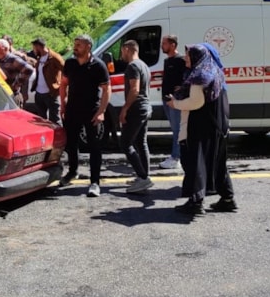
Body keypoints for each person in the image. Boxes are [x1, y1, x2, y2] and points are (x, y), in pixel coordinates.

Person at [166, 43, 236, 215]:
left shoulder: (199, 75)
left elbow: (196, 102)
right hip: (218, 125)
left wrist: (175, 103)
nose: (185, 58)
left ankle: (196, 202)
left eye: (189, 55)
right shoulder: (214, 71)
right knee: (218, 163)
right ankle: (228, 199)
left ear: (197, 57)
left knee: (195, 162)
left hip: (202, 127)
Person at [59, 34, 111, 197]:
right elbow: (63, 83)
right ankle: (72, 171)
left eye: (79, 45)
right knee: (71, 143)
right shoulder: (70, 63)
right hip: (72, 109)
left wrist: (101, 112)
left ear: (88, 46)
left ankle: (95, 182)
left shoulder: (98, 65)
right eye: (75, 44)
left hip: (92, 111)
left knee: (94, 146)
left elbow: (106, 89)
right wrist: (63, 103)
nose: (75, 48)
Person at [119, 39, 154, 194]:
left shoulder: (133, 66)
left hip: (136, 108)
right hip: (145, 107)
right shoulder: (144, 65)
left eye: (122, 51)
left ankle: (143, 177)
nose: (121, 54)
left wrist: (124, 109)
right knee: (141, 142)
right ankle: (144, 176)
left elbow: (135, 90)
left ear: (127, 49)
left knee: (125, 143)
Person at [160, 35, 186, 170]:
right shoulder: (167, 61)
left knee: (177, 129)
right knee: (174, 129)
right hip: (166, 100)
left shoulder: (180, 60)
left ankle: (176, 158)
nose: (162, 46)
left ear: (173, 45)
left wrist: (182, 87)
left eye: (164, 43)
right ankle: (176, 156)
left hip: (175, 100)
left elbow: (189, 77)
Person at [30, 37, 64, 123]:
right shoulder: (39, 57)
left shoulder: (54, 57)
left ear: (38, 46)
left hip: (51, 93)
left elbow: (66, 71)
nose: (33, 50)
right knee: (41, 120)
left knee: (55, 121)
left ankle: (58, 136)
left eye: (34, 47)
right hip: (39, 93)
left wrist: (60, 86)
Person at [0, 39, 33, 108]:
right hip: (2, 95)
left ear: (6, 49)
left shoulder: (13, 59)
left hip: (13, 95)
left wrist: (16, 84)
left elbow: (28, 69)